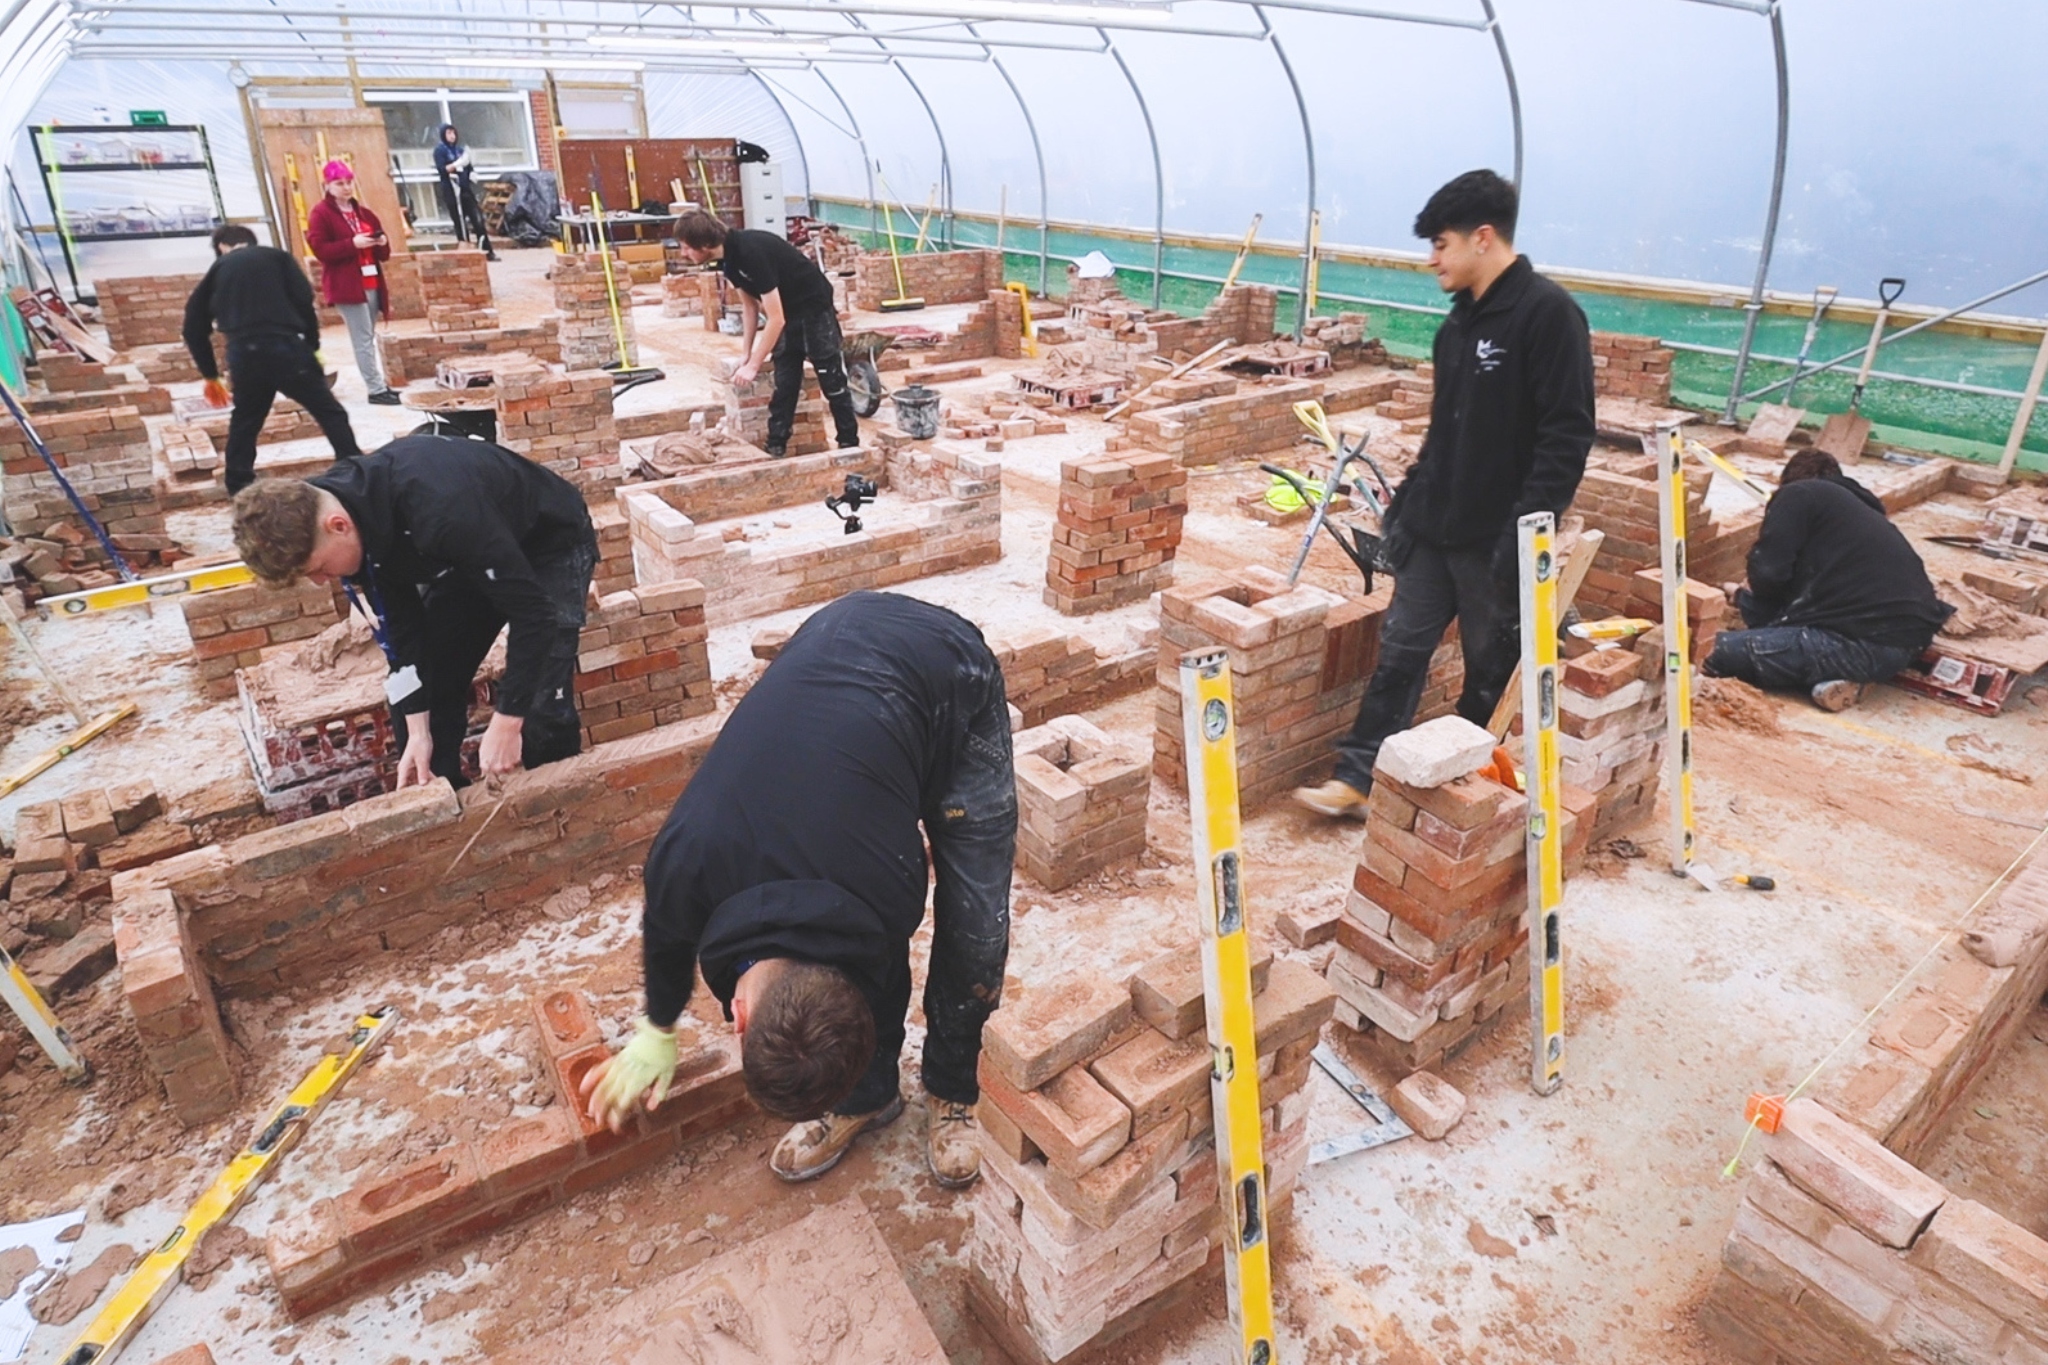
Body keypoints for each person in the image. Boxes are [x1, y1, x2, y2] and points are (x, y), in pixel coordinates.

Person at [580, 591, 1014, 1191]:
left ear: (739, 1017)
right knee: (874, 940)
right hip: (839, 656)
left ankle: (954, 1087)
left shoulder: (886, 881)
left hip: (947, 672)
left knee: (976, 923)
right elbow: (666, 941)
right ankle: (866, 1098)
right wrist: (658, 1028)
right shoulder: (685, 862)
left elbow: (879, 963)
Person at [1296, 169, 1595, 818]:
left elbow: (1566, 436)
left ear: (1482, 238)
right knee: (1400, 652)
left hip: (1496, 540)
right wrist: (1405, 510)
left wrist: (1526, 532)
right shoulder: (1456, 329)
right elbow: (1444, 434)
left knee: (1488, 670)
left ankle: (1453, 791)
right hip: (1435, 532)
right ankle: (1358, 778)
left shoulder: (1547, 316)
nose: (1432, 259)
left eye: (1441, 244)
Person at [230, 434, 597, 787]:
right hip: (467, 554)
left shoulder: (440, 509)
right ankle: (444, 797)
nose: (321, 581)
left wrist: (507, 721)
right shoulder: (345, 509)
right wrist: (419, 734)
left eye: (319, 568)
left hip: (546, 544)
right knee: (427, 689)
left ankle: (557, 802)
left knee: (540, 702)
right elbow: (403, 636)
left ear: (338, 526)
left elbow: (534, 615)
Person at [1703, 449, 1952, 711]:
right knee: (1772, 624)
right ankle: (1844, 677)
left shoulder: (1798, 493)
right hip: (1907, 644)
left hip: (1859, 645)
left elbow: (1768, 573)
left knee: (1708, 649)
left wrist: (1754, 587)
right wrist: (1743, 598)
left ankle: (1839, 671)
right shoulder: (1855, 511)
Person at [181, 225, 362, 495]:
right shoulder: (278, 257)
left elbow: (193, 327)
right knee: (329, 412)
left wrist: (210, 376)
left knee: (246, 421)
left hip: (244, 355)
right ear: (252, 241)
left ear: (221, 247)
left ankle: (239, 487)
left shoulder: (219, 269)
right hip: (286, 348)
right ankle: (354, 471)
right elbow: (304, 300)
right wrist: (312, 347)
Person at [673, 211, 861, 458]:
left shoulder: (751, 253)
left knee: (832, 382)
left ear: (705, 244)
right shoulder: (728, 261)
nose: (683, 253)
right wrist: (746, 354)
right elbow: (750, 307)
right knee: (785, 385)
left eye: (687, 247)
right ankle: (775, 447)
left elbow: (776, 319)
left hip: (814, 309)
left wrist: (754, 365)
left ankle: (849, 445)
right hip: (787, 311)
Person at [304, 160, 401, 405]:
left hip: (371, 281)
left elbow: (384, 254)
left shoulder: (364, 213)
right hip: (348, 286)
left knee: (368, 336)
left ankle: (379, 385)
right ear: (327, 186)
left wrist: (381, 242)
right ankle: (376, 389)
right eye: (339, 183)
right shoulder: (321, 214)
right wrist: (351, 244)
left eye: (349, 182)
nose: (346, 187)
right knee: (363, 338)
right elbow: (321, 249)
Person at [432, 123, 498, 261]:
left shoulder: (460, 150)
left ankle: (487, 251)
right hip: (452, 190)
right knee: (460, 223)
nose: (452, 136)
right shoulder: (440, 151)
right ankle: (467, 252)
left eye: (453, 133)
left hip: (465, 190)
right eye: (449, 133)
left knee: (478, 220)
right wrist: (456, 164)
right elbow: (442, 169)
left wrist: (472, 173)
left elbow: (468, 166)